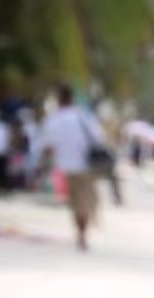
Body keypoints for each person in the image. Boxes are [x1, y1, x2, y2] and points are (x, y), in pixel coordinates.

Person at [34, 86, 106, 251]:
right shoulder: (84, 117)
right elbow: (99, 138)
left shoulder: (53, 119)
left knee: (75, 202)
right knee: (84, 201)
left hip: (65, 167)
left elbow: (45, 147)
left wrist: (43, 165)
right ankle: (83, 231)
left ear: (59, 99)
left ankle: (80, 231)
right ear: (72, 98)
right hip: (86, 165)